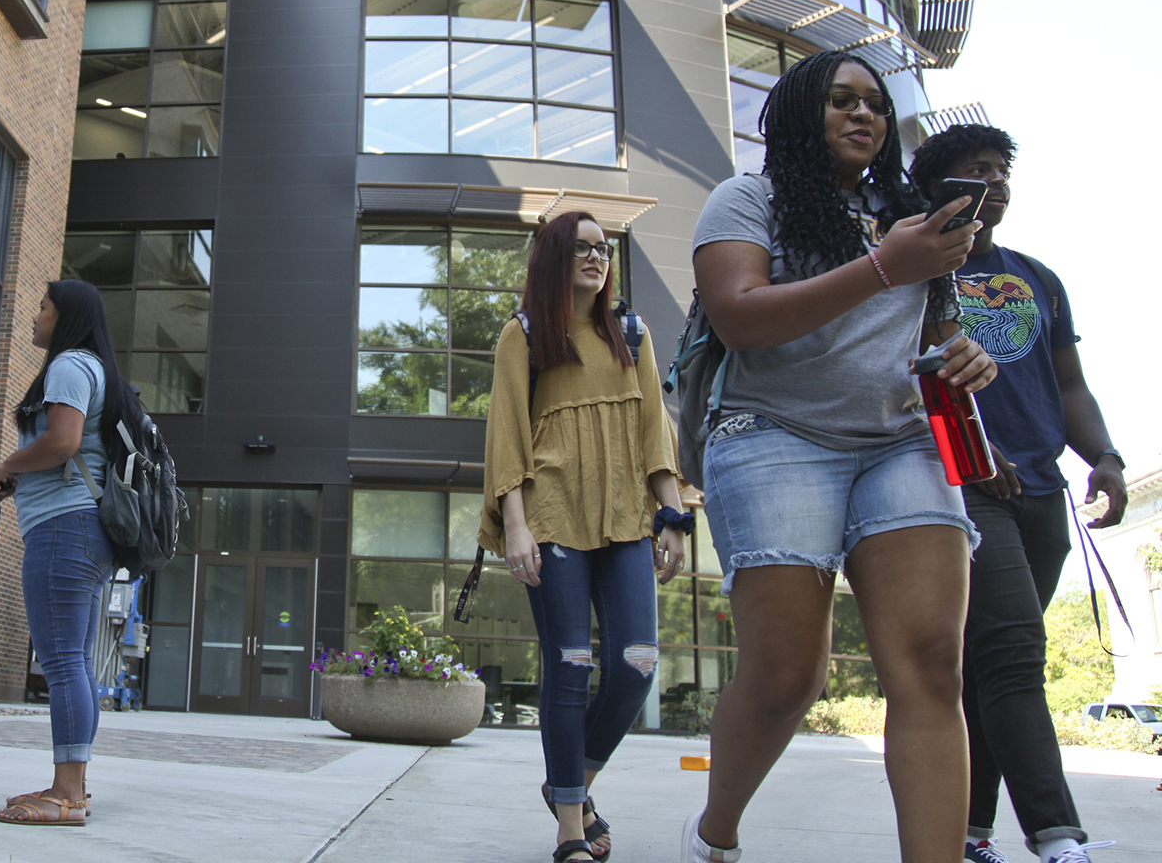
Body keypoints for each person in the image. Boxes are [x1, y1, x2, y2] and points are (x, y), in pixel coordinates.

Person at [686, 50, 999, 863]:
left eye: (875, 104)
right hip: (776, 433)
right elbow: (739, 317)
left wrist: (962, 353)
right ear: (799, 114)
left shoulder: (913, 214)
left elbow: (926, 332)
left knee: (931, 662)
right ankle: (715, 831)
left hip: (901, 442)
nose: (864, 115)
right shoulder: (748, 199)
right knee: (789, 675)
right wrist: (883, 265)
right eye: (840, 101)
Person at [909, 125, 1125, 863]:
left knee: (988, 671)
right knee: (1015, 653)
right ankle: (1059, 838)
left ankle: (969, 833)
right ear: (939, 186)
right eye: (976, 171)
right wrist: (974, 442)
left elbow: (1068, 385)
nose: (994, 183)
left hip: (1043, 493)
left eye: (1002, 171)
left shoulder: (1037, 276)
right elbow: (905, 374)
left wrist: (1105, 456)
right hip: (964, 488)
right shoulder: (918, 266)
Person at [482, 210, 691, 863]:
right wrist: (515, 525)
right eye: (581, 248)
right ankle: (571, 831)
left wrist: (673, 514)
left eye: (604, 249)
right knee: (570, 669)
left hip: (627, 517)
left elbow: (654, 428)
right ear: (552, 258)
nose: (597, 258)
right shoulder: (522, 336)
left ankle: (569, 783)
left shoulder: (631, 331)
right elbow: (507, 433)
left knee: (636, 665)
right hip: (553, 518)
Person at [0, 279, 135, 826]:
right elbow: (73, 452)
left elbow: (63, 442)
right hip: (83, 528)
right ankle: (70, 785)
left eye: (42, 305)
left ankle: (66, 796)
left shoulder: (69, 364)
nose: (34, 313)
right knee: (75, 661)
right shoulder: (95, 368)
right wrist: (22, 479)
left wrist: (5, 468)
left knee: (64, 660)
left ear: (65, 315)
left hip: (64, 528)